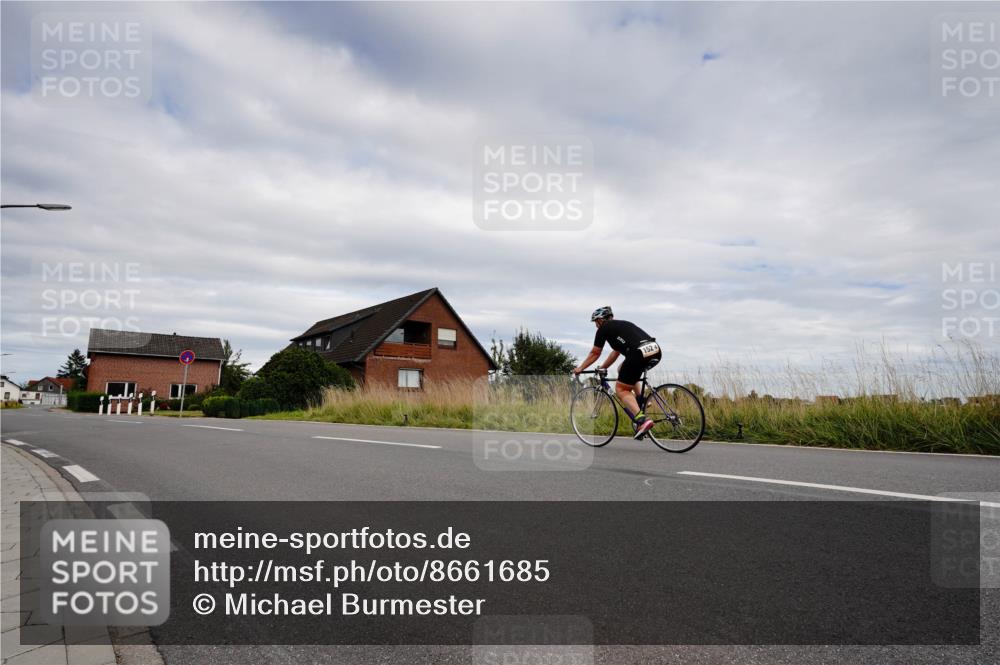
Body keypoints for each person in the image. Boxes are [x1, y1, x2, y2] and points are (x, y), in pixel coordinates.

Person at [572, 306, 662, 439]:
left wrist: (580, 368)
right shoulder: (623, 325)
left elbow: (595, 352)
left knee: (621, 389)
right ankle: (640, 399)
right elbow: (616, 353)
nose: (596, 325)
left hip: (637, 353)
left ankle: (642, 420)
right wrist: (603, 367)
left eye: (596, 322)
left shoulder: (603, 328)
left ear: (600, 320)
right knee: (623, 369)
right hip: (655, 350)